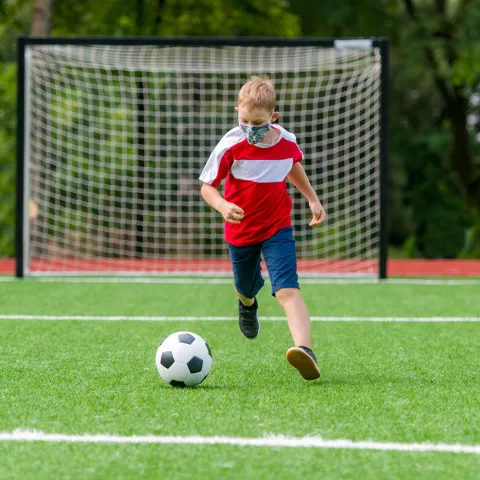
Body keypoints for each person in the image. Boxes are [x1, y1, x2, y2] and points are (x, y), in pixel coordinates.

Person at [199, 75, 326, 380]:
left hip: (276, 227)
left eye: (258, 123)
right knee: (245, 287)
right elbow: (207, 187)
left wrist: (312, 198)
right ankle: (247, 304)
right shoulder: (231, 144)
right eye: (244, 120)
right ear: (237, 112)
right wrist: (222, 205)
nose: (250, 128)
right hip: (241, 231)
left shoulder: (287, 142)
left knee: (287, 289)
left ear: (273, 118)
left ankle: (305, 351)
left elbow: (292, 166)